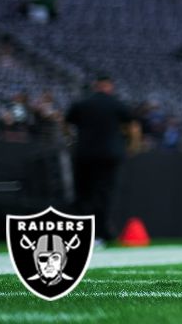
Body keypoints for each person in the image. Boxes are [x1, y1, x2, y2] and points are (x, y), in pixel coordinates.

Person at [65, 75, 135, 242]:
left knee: (83, 193)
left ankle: (81, 232)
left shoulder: (83, 103)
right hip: (109, 155)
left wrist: (71, 141)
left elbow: (66, 124)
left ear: (96, 85)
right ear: (109, 86)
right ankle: (102, 232)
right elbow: (133, 127)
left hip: (84, 154)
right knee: (104, 193)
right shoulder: (117, 104)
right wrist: (131, 147)